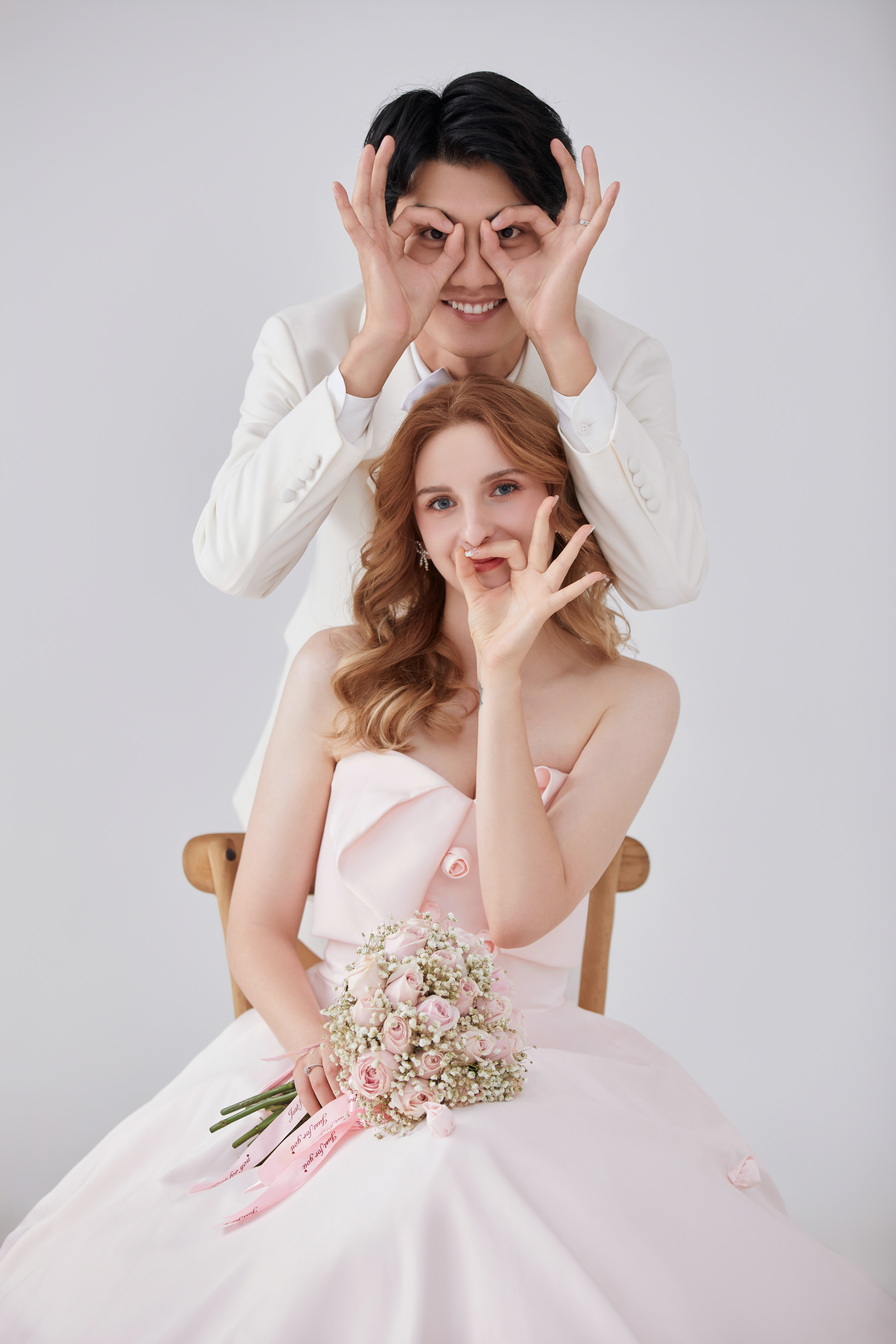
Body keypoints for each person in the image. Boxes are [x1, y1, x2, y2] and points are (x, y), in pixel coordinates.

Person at [2, 378, 892, 1343]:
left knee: (457, 1185)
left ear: (559, 499)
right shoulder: (336, 669)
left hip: (526, 1060)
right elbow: (257, 925)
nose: (475, 530)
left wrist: (503, 676)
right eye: (440, 502)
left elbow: (520, 915)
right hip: (329, 1037)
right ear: (415, 531)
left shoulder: (635, 698)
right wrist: (326, 1055)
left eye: (505, 488)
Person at [192, 71, 709, 824]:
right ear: (380, 232)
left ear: (561, 231)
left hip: (540, 785)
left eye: (511, 234)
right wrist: (374, 350)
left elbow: (668, 578)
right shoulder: (311, 345)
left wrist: (562, 348)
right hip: (332, 776)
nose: (470, 271)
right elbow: (234, 565)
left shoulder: (616, 360)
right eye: (432, 235)